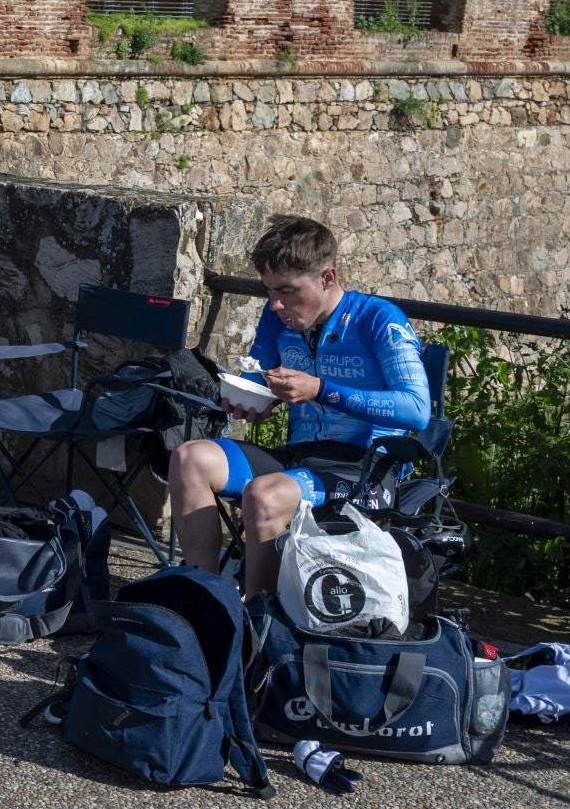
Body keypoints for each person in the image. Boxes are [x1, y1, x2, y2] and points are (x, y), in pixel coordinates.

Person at [167, 216, 431, 597]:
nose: (276, 304)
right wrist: (252, 400)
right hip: (300, 458)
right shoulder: (278, 319)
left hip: (366, 469)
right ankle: (203, 598)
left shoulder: (378, 320)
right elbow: (259, 377)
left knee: (263, 496)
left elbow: (416, 408)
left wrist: (321, 389)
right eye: (269, 291)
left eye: (288, 291)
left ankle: (258, 620)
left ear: (327, 278)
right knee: (189, 457)